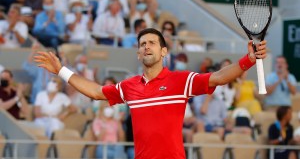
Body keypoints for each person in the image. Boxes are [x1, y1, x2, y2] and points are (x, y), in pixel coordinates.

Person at [34, 28, 267, 159]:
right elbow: (95, 92)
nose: (146, 46)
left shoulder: (181, 80)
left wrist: (248, 59)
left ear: (164, 51)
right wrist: (61, 71)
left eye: (152, 43)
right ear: (137, 53)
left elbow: (219, 77)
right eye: (143, 43)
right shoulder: (129, 86)